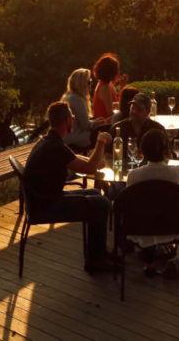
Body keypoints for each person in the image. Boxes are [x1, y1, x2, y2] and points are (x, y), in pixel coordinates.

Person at [22, 101, 114, 272]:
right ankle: (95, 260)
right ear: (66, 120)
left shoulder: (49, 141)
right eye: (72, 117)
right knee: (103, 204)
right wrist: (101, 141)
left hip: (43, 199)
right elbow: (89, 169)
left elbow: (76, 159)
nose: (74, 120)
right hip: (46, 206)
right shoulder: (55, 147)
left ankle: (98, 252)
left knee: (95, 192)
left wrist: (94, 160)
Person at [124, 128, 179, 276]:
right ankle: (174, 256)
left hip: (140, 228)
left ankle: (149, 253)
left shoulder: (133, 175)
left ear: (142, 151)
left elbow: (129, 205)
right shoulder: (177, 171)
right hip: (171, 226)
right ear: (166, 150)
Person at [61, 68, 109, 151]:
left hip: (66, 136)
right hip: (74, 138)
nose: (90, 84)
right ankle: (102, 158)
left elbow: (79, 120)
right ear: (82, 84)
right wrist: (99, 122)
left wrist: (94, 121)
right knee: (105, 134)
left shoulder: (67, 97)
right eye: (89, 81)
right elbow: (86, 125)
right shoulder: (78, 99)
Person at [91, 52, 120, 121]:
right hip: (104, 126)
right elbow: (110, 114)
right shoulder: (105, 88)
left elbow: (114, 102)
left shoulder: (107, 84)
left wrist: (122, 86)